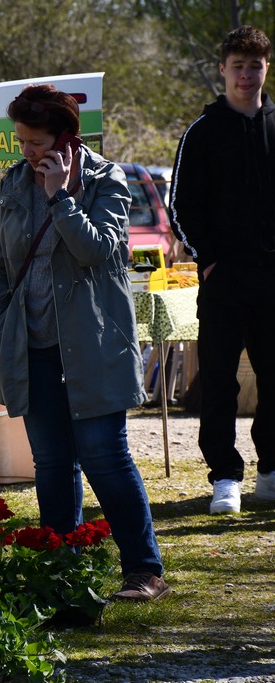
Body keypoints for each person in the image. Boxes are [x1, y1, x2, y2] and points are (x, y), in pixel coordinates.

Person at [0, 84, 168, 601]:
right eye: (20, 142)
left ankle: (144, 570)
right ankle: (63, 570)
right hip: (31, 344)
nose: (27, 153)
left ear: (64, 140)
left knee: (105, 455)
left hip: (94, 345)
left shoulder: (105, 179)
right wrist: (0, 324)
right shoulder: (14, 183)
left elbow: (95, 251)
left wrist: (61, 196)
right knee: (52, 461)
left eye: (36, 143)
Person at [170, 25, 275, 515]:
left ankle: (270, 472)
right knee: (218, 382)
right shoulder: (203, 131)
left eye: (255, 66)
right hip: (223, 281)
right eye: (238, 66)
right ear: (222, 70)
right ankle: (225, 478)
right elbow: (180, 207)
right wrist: (208, 261)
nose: (247, 75)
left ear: (266, 69)